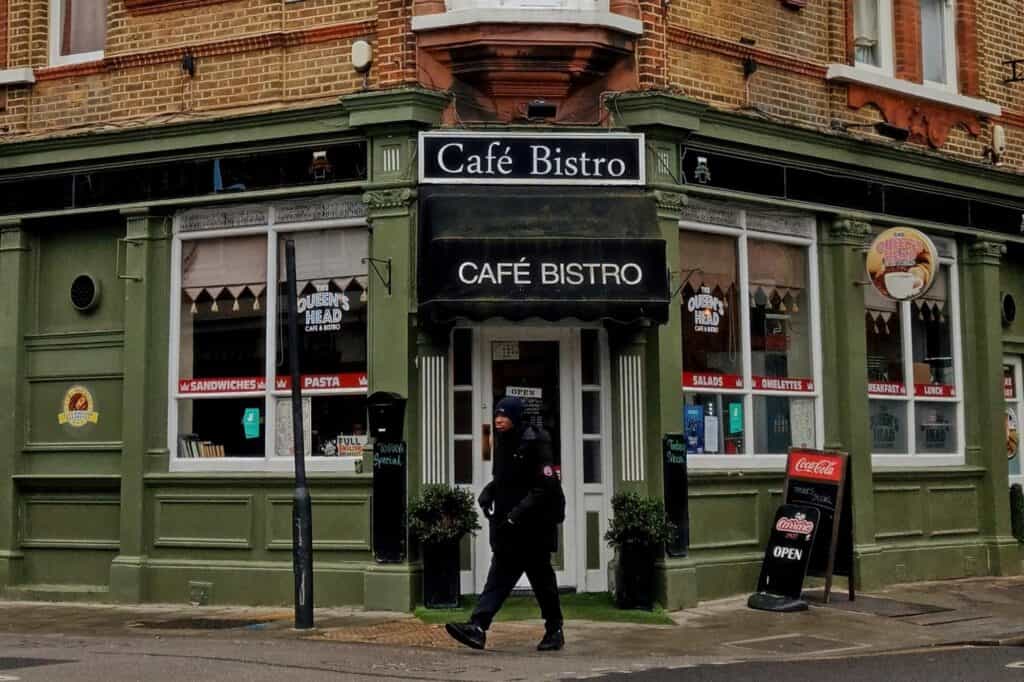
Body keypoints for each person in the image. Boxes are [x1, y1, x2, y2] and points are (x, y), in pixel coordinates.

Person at [445, 396, 566, 652]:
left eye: (505, 415)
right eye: (497, 415)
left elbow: (545, 485)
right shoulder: (500, 441)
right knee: (499, 576)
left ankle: (554, 630)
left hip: (534, 526)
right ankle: (477, 627)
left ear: (516, 416)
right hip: (508, 527)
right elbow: (505, 477)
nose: (499, 420)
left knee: (542, 580)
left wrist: (517, 513)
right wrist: (489, 492)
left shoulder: (537, 439)